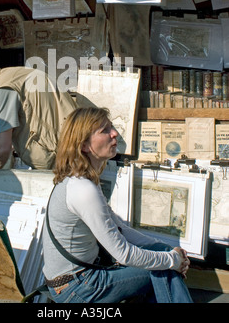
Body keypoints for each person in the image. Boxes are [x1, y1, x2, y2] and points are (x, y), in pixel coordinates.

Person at [42, 107, 193, 303]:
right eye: (104, 130)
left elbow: (119, 229)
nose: (114, 133)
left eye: (111, 127)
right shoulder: (83, 189)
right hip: (78, 288)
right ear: (84, 145)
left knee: (162, 254)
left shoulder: (81, 181)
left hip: (79, 279)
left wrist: (166, 250)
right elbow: (123, 253)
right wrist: (172, 261)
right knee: (163, 269)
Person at [0, 66, 77, 170]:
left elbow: (4, 147)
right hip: (73, 143)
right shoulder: (11, 75)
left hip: (62, 156)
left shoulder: (1, 90)